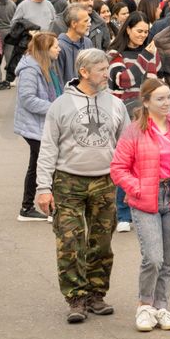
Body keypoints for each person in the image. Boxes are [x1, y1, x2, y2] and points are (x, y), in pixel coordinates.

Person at [35, 49, 130, 324]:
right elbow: (48, 148)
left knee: (101, 242)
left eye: (106, 68)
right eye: (101, 69)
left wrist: (130, 181)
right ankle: (75, 297)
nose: (106, 74)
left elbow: (126, 146)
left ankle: (96, 294)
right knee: (69, 242)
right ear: (84, 72)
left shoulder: (116, 104)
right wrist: (43, 188)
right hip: (68, 181)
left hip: (105, 181)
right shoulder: (60, 106)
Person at [110, 79, 170, 332]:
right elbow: (118, 169)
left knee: (169, 260)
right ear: (146, 101)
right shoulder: (134, 130)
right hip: (144, 200)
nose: (167, 103)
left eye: (169, 97)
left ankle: (162, 307)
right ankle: (144, 306)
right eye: (160, 98)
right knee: (153, 258)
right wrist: (137, 188)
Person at [107, 12, 162, 233]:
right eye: (139, 31)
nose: (143, 35)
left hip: (148, 114)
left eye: (146, 32)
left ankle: (146, 207)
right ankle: (122, 212)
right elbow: (123, 80)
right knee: (126, 164)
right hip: (121, 115)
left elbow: (154, 81)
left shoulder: (152, 54)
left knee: (148, 162)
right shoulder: (114, 54)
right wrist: (144, 59)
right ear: (127, 29)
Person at [14, 32, 63, 222]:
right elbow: (27, 99)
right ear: (45, 49)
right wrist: (54, 108)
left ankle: (27, 208)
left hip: (43, 124)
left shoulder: (48, 65)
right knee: (47, 164)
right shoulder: (30, 69)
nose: (59, 49)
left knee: (36, 164)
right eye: (55, 46)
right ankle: (48, 207)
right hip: (34, 125)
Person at [56, 4, 93, 83]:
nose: (89, 24)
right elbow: (59, 79)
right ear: (73, 24)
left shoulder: (88, 42)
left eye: (89, 21)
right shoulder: (59, 47)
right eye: (86, 21)